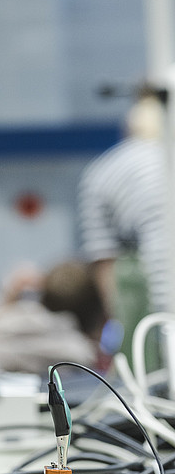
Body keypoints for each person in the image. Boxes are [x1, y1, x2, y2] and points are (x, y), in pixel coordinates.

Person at [77, 88, 167, 363]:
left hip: (147, 292)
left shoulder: (102, 171)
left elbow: (104, 260)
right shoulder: (165, 157)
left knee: (145, 362)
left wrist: (118, 322)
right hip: (159, 276)